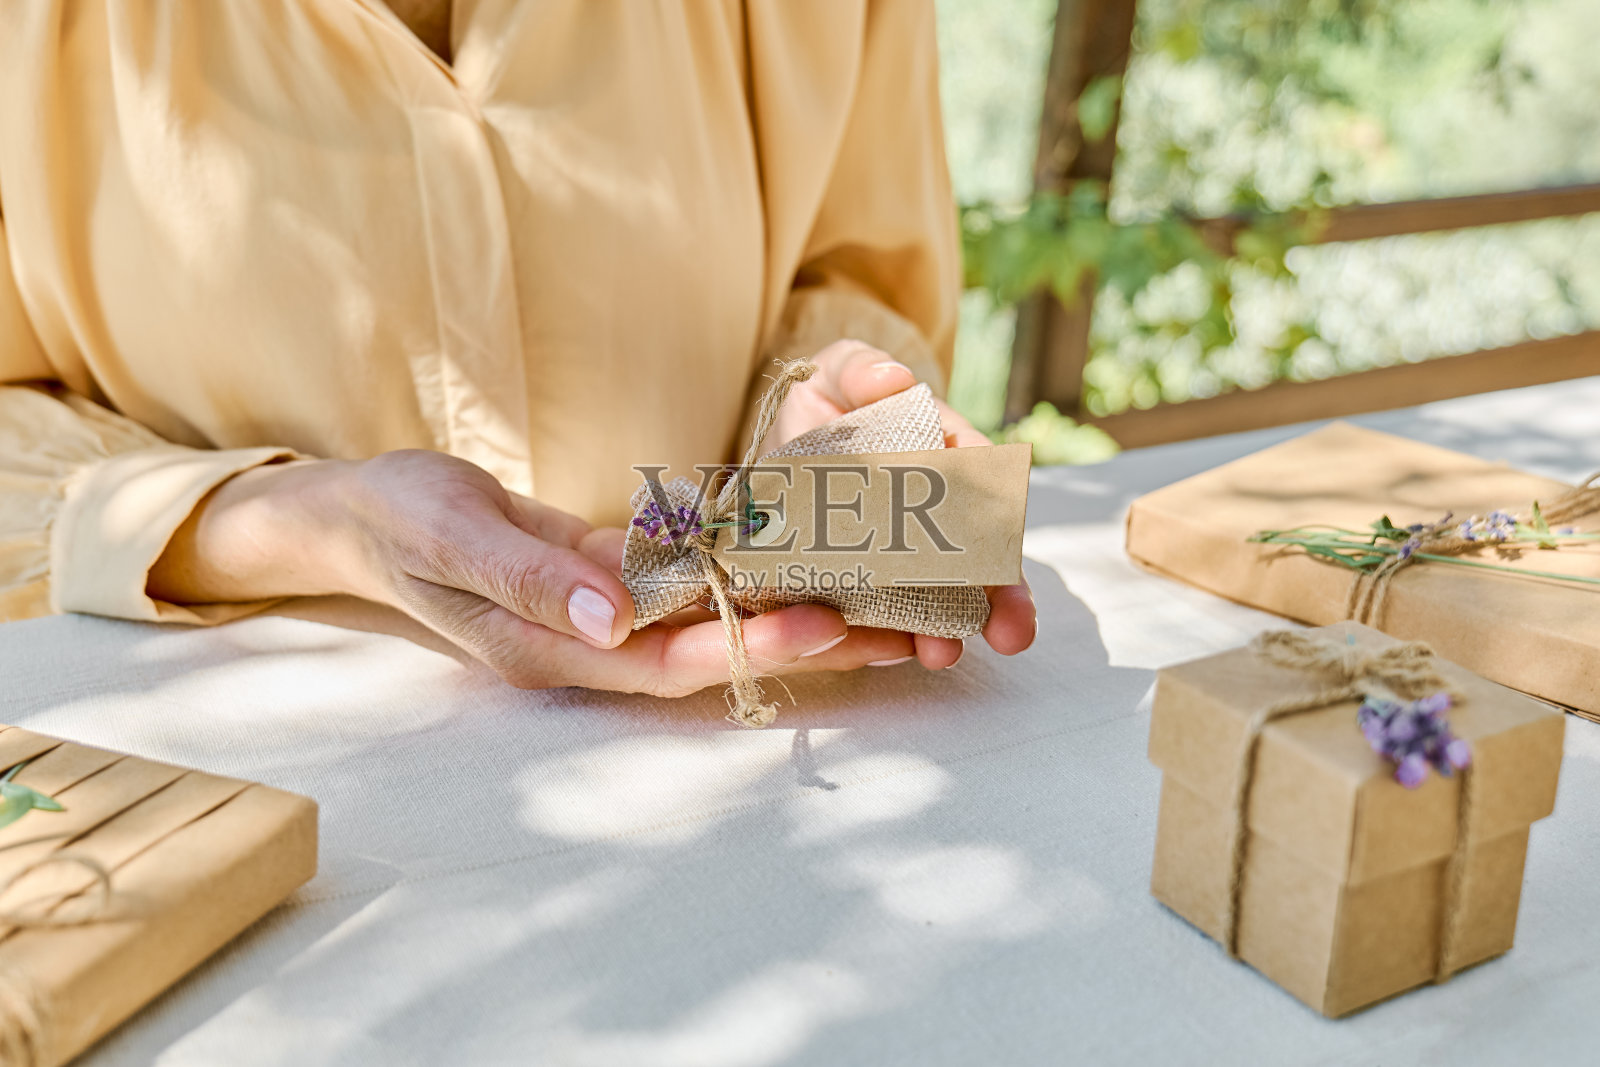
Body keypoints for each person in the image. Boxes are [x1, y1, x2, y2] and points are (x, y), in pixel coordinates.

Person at [0, 0, 1034, 697]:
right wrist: (305, 522)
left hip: (742, 749)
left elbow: (855, 270)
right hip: (236, 780)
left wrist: (822, 421)